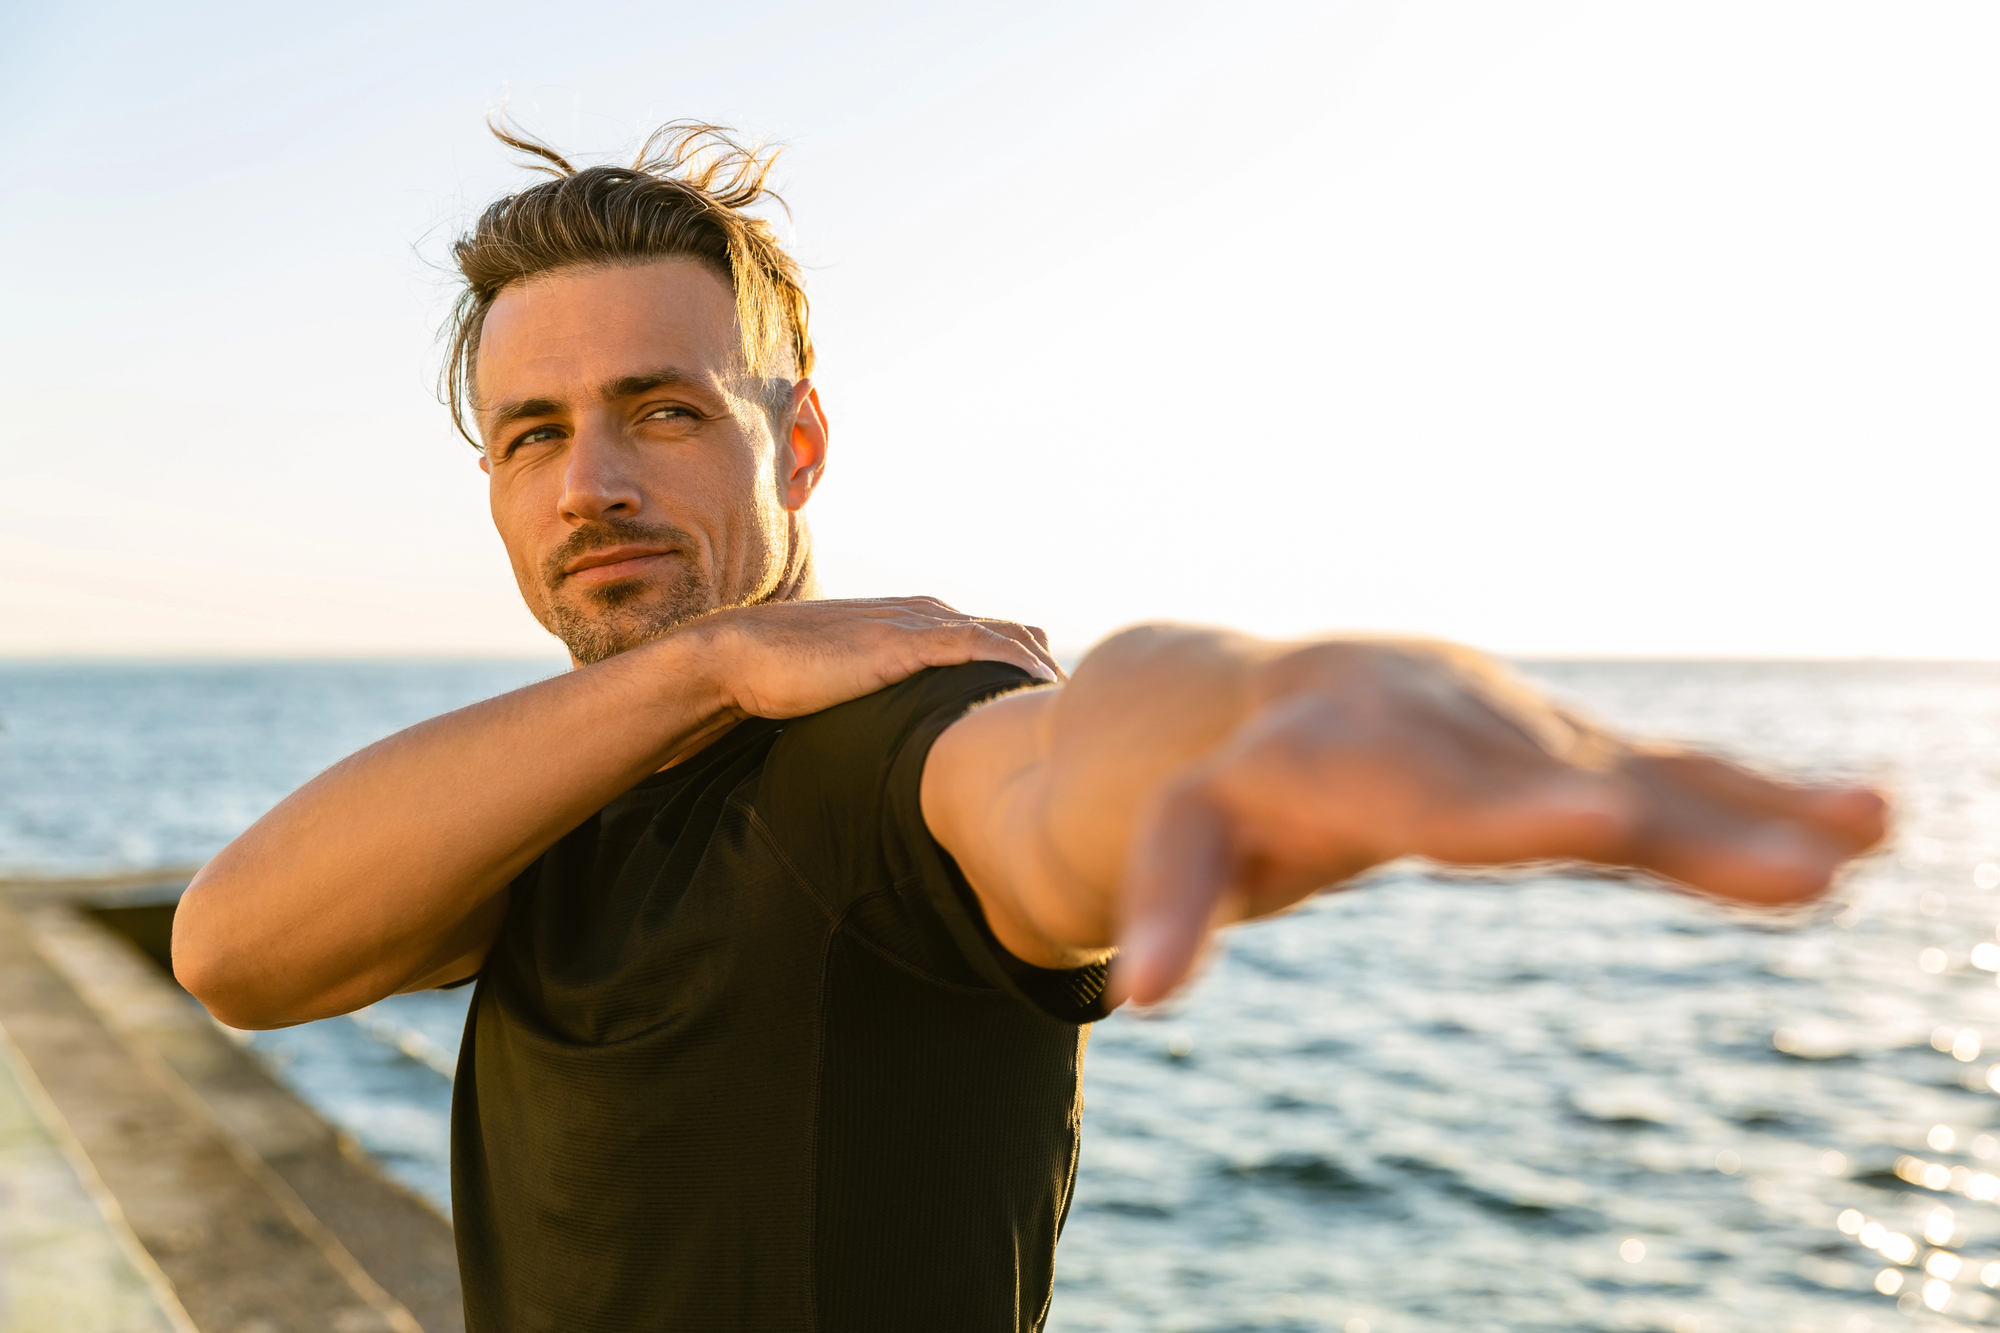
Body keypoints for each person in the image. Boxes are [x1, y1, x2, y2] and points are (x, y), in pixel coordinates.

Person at [171, 122, 1889, 1333]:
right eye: (530, 435)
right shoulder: (589, 772)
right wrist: (691, 676)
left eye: (662, 410)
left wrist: (1255, 719)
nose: (593, 483)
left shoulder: (887, 744)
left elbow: (1060, 771)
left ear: (802, 441)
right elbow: (233, 949)